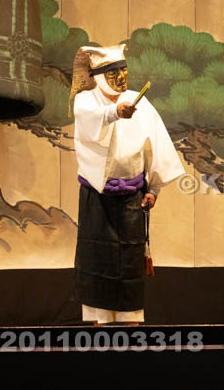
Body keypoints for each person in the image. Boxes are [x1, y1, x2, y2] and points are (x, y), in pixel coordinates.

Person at [70, 44, 185, 325]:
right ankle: (101, 329)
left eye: (123, 70)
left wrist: (154, 188)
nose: (121, 77)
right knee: (99, 264)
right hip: (97, 198)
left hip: (131, 199)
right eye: (112, 72)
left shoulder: (138, 101)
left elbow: (155, 145)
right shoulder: (86, 101)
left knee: (129, 268)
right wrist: (115, 113)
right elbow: (90, 121)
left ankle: (130, 330)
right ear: (97, 75)